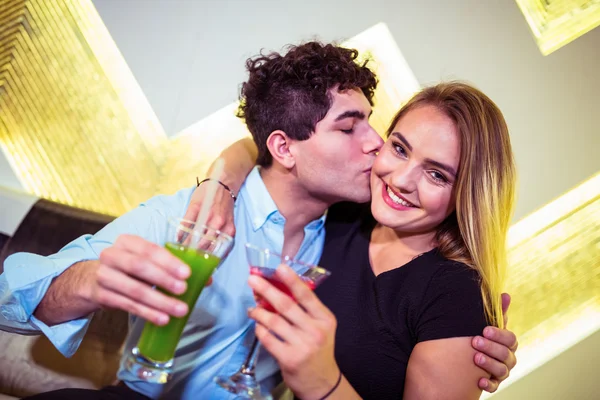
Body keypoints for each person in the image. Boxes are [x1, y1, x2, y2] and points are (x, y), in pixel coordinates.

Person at [0, 42, 516, 400]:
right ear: (283, 147)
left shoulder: (359, 225)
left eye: (437, 173)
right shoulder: (192, 218)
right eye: (352, 127)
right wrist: (91, 280)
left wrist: (468, 354)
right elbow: (10, 299)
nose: (380, 149)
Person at [184, 82, 518, 399]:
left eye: (436, 174)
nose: (401, 180)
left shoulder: (456, 294)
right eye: (400, 149)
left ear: (470, 195)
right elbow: (271, 143)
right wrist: (219, 184)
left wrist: (323, 383)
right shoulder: (350, 204)